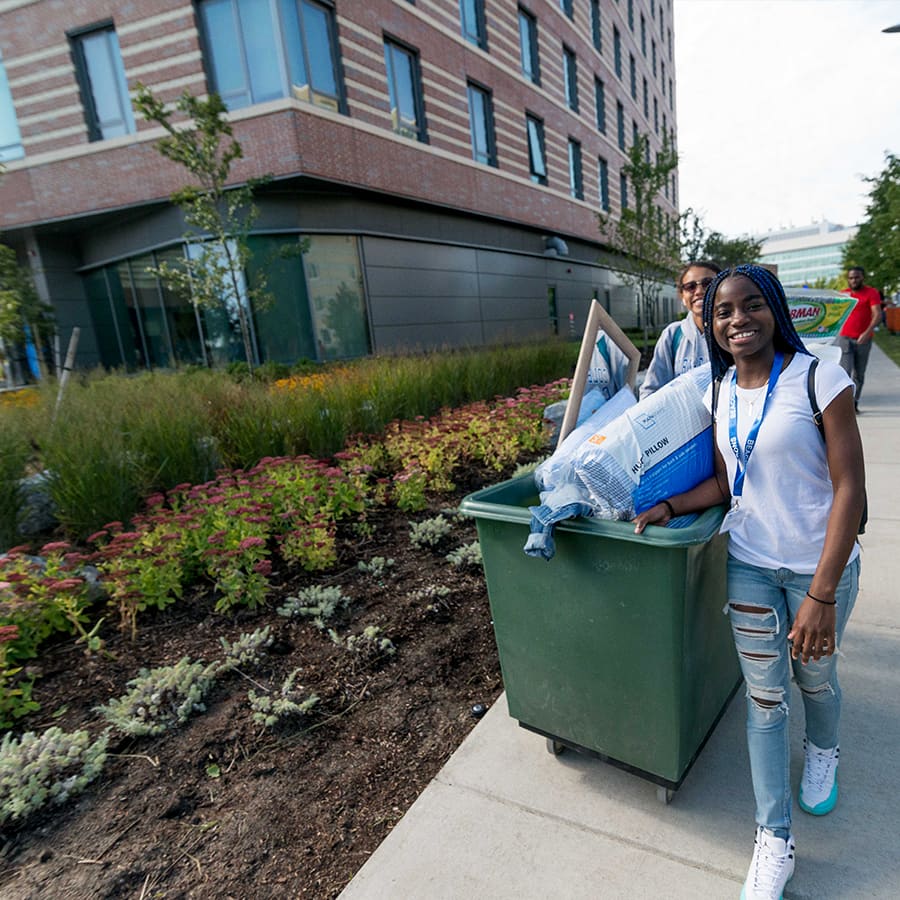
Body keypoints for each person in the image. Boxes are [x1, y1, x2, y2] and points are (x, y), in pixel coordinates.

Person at [633, 265, 865, 900]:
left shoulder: (820, 376)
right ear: (708, 323)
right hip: (751, 565)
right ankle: (773, 839)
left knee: (814, 675)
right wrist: (673, 506)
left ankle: (824, 750)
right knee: (765, 699)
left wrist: (819, 595)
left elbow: (852, 490)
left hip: (823, 569)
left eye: (751, 305)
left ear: (774, 310)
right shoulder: (718, 391)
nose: (738, 319)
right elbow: (725, 482)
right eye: (723, 311)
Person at [639, 261, 722, 398]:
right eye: (690, 287)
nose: (699, 291)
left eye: (708, 283)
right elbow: (651, 391)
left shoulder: (732, 333)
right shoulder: (672, 335)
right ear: (682, 296)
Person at [838, 265, 881, 411]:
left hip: (863, 339)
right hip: (844, 338)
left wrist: (867, 332)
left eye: (856, 277)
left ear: (862, 277)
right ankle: (845, 405)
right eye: (851, 278)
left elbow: (877, 314)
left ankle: (854, 403)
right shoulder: (843, 294)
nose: (853, 280)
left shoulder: (871, 293)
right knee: (844, 372)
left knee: (859, 373)